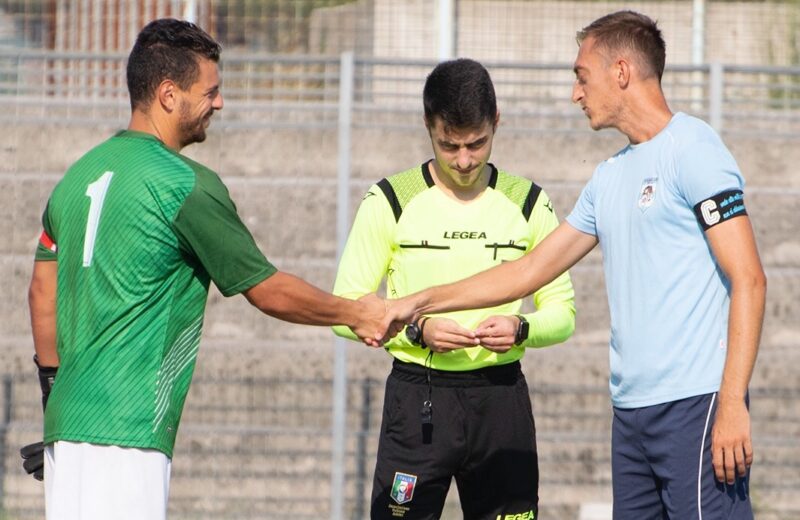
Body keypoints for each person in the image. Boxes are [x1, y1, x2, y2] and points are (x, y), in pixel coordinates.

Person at [385, 11, 766, 520]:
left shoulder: (694, 150)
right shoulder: (608, 177)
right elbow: (527, 271)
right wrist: (418, 302)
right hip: (630, 416)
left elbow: (750, 278)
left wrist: (733, 401)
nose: (575, 93)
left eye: (581, 76)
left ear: (622, 72)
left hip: (695, 406)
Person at [19, 18, 386, 520]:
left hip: (67, 427)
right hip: (128, 431)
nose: (219, 103)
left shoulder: (77, 175)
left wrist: (53, 396)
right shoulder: (183, 184)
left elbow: (41, 290)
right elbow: (267, 290)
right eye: (210, 92)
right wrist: (357, 313)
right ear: (169, 94)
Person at [332, 58, 575, 519]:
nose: (464, 160)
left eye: (477, 144)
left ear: (496, 122)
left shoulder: (528, 202)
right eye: (449, 145)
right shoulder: (390, 199)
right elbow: (346, 310)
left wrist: (520, 328)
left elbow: (562, 313)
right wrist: (417, 333)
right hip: (417, 398)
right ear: (428, 127)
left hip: (500, 399)